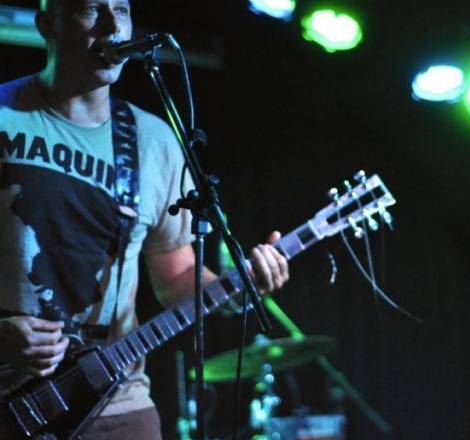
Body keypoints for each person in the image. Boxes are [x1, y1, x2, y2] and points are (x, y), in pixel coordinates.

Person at [0, 0, 289, 438]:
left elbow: (177, 275)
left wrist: (240, 289)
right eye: (92, 9)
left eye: (121, 9)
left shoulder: (154, 140)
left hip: (118, 405)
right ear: (47, 24)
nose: (112, 25)